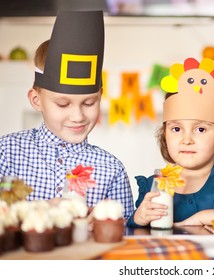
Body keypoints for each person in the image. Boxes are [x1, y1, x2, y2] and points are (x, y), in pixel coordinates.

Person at [0, 10, 134, 220]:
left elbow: (124, 234)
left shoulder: (111, 169)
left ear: (100, 96)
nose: (78, 116)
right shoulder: (6, 153)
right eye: (63, 104)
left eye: (89, 103)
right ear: (36, 100)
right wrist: (43, 210)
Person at [127, 57, 214, 227]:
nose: (186, 140)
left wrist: (205, 217)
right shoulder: (155, 184)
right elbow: (136, 234)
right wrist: (138, 219)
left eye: (200, 129)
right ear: (165, 134)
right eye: (176, 129)